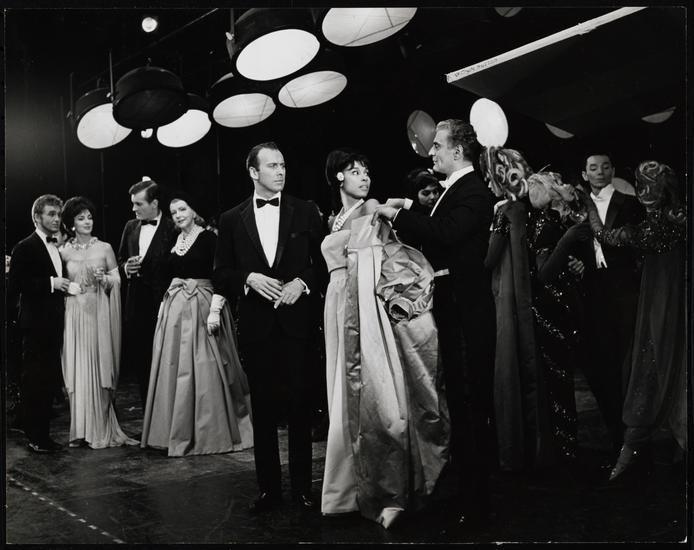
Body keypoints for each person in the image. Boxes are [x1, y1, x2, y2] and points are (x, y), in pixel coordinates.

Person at [373, 119, 496, 529]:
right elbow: (439, 218)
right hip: (455, 309)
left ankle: (478, 504)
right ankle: (468, 495)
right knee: (460, 403)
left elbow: (446, 231)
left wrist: (397, 213)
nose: (432, 152)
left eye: (438, 146)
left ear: (457, 151)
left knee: (471, 406)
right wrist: (409, 207)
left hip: (466, 312)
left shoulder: (473, 190)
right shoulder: (457, 190)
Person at [320, 148, 449, 528]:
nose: (364, 177)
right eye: (355, 171)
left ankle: (380, 487)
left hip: (362, 305)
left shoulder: (372, 208)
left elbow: (390, 256)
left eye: (366, 171)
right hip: (336, 303)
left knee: (371, 387)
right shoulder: (335, 217)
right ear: (338, 177)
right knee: (340, 390)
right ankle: (346, 487)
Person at [214, 142, 326, 513]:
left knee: (300, 407)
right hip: (257, 328)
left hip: (297, 325)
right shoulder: (231, 219)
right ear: (253, 172)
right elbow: (220, 273)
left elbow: (323, 263)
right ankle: (269, 492)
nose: (280, 172)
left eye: (283, 165)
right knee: (263, 411)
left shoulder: (305, 210)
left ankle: (303, 490)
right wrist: (248, 278)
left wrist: (302, 283)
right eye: (272, 166)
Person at [582, 160, 686, 482]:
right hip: (675, 304)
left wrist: (587, 207)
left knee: (649, 365)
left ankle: (633, 453)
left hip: (660, 306)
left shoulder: (652, 227)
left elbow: (605, 235)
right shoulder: (678, 219)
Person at [141, 192, 253, 457]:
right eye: (174, 212)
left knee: (205, 367)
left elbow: (221, 275)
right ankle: (174, 429)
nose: (178, 215)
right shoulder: (174, 240)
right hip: (176, 310)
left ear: (194, 211)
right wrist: (164, 306)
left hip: (203, 306)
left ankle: (209, 431)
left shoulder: (210, 238)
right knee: (174, 367)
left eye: (183, 209)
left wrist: (215, 310)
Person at [480, 147, 553, 472]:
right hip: (525, 293)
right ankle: (536, 447)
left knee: (509, 362)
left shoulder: (505, 211)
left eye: (490, 177)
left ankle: (514, 450)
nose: (488, 183)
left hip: (506, 293)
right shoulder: (526, 210)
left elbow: (488, 259)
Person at [525, 171, 593, 468]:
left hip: (559, 306)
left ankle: (567, 446)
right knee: (559, 380)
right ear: (552, 192)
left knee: (562, 379)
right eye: (560, 183)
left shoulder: (555, 221)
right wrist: (567, 242)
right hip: (550, 309)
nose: (567, 186)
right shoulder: (546, 223)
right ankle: (566, 450)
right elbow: (543, 273)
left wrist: (576, 264)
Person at [59, 196, 137, 449]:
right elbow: (60, 284)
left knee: (100, 366)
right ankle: (80, 430)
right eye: (81, 218)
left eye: (90, 217)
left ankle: (101, 428)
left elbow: (117, 280)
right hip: (74, 314)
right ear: (71, 223)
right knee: (78, 369)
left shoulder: (104, 248)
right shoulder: (63, 251)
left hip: (99, 312)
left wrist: (105, 280)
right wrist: (69, 287)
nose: (87, 222)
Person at [580, 153, 645, 454]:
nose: (600, 172)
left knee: (626, 362)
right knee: (599, 363)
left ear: (613, 170)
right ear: (585, 174)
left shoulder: (630, 204)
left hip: (623, 290)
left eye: (605, 167)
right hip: (591, 291)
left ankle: (630, 434)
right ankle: (614, 431)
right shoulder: (577, 206)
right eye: (593, 168)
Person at [7, 194, 68, 453]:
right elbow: (16, 285)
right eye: (51, 214)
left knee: (48, 379)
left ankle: (42, 436)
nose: (56, 219)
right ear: (37, 217)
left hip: (54, 322)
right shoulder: (25, 247)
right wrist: (51, 283)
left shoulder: (56, 245)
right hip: (35, 324)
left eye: (58, 214)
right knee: (35, 380)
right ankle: (36, 437)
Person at [117, 177, 177, 407]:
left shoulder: (172, 227)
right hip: (136, 306)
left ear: (155, 203)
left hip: (164, 305)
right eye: (133, 203)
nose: (134, 209)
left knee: (168, 362)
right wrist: (126, 268)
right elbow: (121, 259)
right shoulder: (130, 227)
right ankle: (149, 415)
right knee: (142, 364)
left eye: (138, 204)